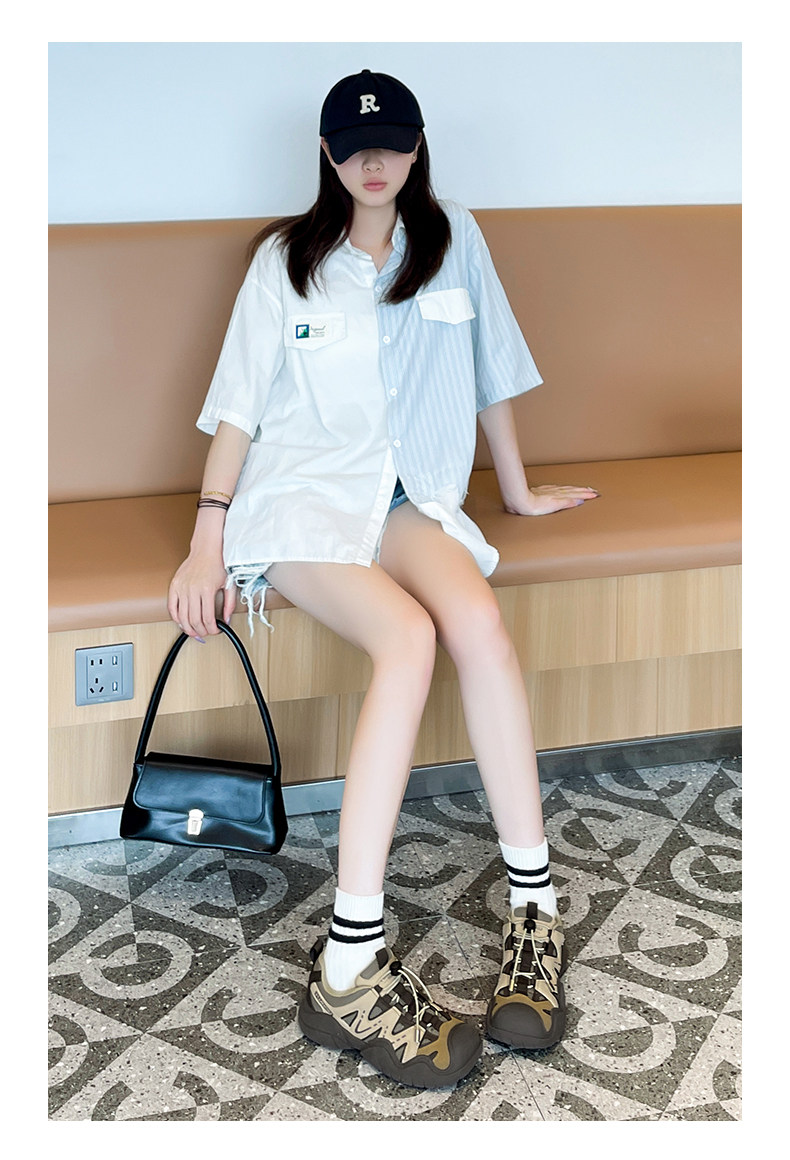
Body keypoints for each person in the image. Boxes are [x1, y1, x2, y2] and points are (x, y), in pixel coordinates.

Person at [168, 68, 598, 1089]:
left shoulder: (454, 238)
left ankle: (533, 909)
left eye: (393, 143)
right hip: (301, 500)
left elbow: (492, 368)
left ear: (415, 148)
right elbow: (238, 406)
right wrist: (205, 536)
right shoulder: (285, 259)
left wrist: (518, 490)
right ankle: (348, 963)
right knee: (408, 640)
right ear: (326, 152)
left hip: (408, 500)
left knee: (478, 624)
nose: (375, 161)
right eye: (355, 145)